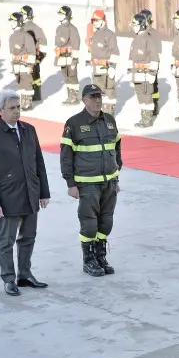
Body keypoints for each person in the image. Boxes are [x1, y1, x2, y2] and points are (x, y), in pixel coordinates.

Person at [0, 89, 51, 296]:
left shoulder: (29, 130)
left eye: (18, 107)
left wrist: (43, 192)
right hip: (7, 198)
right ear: (0, 110)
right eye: (12, 108)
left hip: (30, 193)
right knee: (6, 241)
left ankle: (25, 274)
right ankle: (9, 278)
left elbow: (39, 162)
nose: (17, 112)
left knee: (28, 237)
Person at [60, 84, 123, 277]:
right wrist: (70, 183)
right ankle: (88, 260)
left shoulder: (110, 120)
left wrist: (116, 175)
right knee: (89, 223)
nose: (97, 100)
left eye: (99, 96)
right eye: (93, 96)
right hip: (87, 184)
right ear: (84, 99)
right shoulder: (74, 123)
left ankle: (100, 256)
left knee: (106, 222)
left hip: (109, 183)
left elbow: (117, 150)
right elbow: (66, 156)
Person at [128, 13, 159, 128]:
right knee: (140, 96)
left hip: (146, 74)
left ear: (141, 25)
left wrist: (152, 74)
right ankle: (143, 117)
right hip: (137, 74)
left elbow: (155, 58)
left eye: (135, 25)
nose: (133, 27)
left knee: (147, 96)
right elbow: (131, 56)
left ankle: (148, 119)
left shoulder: (148, 40)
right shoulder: (135, 40)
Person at [88, 9, 120, 115]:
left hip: (106, 68)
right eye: (94, 21)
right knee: (97, 92)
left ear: (103, 21)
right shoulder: (94, 34)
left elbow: (114, 52)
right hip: (96, 69)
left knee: (109, 92)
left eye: (97, 20)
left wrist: (112, 67)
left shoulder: (109, 35)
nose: (95, 23)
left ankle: (109, 114)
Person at [8, 11, 36, 110]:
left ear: (19, 22)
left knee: (27, 83)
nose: (11, 23)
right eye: (10, 21)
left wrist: (30, 65)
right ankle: (22, 101)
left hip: (25, 64)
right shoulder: (12, 36)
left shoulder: (26, 36)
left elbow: (32, 52)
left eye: (13, 21)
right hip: (16, 64)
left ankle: (28, 103)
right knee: (20, 83)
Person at [55, 5, 81, 105]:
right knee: (66, 77)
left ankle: (73, 98)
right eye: (59, 14)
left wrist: (74, 60)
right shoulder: (59, 28)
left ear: (67, 16)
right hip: (62, 57)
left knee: (72, 77)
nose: (60, 16)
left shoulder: (72, 29)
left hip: (70, 57)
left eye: (62, 14)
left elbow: (76, 45)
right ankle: (70, 96)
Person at [20, 5, 48, 102]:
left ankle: (34, 97)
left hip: (32, 57)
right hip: (24, 57)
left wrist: (38, 58)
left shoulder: (34, 28)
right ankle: (34, 96)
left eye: (22, 14)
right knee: (30, 77)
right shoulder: (21, 27)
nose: (21, 15)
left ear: (28, 15)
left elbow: (44, 43)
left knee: (33, 77)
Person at [138, 9, 162, 116]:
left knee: (154, 86)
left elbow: (158, 50)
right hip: (141, 64)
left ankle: (155, 104)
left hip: (151, 63)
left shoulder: (154, 33)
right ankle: (146, 107)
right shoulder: (140, 33)